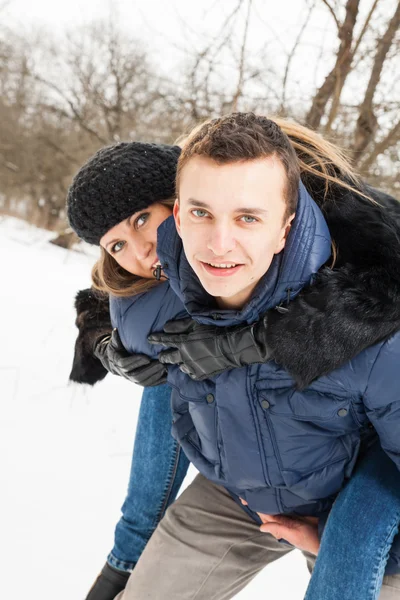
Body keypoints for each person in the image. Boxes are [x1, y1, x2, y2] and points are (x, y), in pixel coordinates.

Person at [67, 122, 400, 600]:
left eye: (143, 219)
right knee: (171, 369)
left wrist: (253, 343)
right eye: (117, 243)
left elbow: (382, 292)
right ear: (184, 212)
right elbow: (108, 293)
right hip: (247, 475)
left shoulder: (335, 217)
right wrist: (107, 344)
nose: (139, 251)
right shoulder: (164, 268)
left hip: (355, 467)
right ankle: (126, 560)